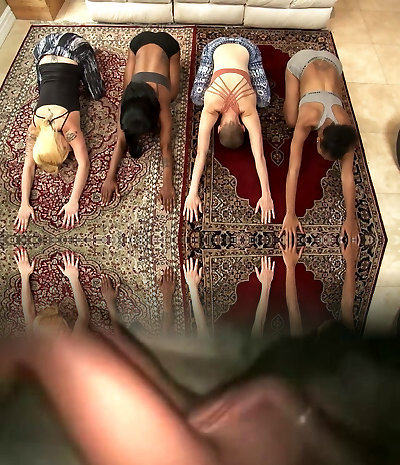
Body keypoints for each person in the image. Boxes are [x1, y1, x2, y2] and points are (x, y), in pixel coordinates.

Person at [14, 33, 104, 233]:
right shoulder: (35, 128)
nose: (69, 152)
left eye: (65, 151)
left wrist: (73, 200)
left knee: (97, 93)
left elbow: (84, 163)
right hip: (42, 47)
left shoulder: (69, 128)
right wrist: (24, 203)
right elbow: (29, 165)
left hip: (74, 46)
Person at [184, 37, 274, 224]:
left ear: (242, 127)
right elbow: (258, 156)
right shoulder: (211, 107)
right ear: (218, 129)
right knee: (198, 98)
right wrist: (191, 193)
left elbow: (202, 153)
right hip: (217, 47)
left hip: (243, 48)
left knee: (263, 100)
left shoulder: (249, 109)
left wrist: (267, 195)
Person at [281, 49, 359, 247]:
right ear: (318, 139)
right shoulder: (307, 118)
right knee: (290, 120)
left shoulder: (346, 128)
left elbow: (347, 176)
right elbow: (293, 169)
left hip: (333, 62)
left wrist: (351, 219)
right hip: (301, 63)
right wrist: (290, 213)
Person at [101, 31, 180, 213]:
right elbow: (120, 141)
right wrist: (109, 177)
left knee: (174, 93)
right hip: (138, 43)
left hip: (167, 45)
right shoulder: (126, 102)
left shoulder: (162, 97)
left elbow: (166, 146)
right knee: (126, 86)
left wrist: (167, 183)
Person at [13, 247, 90, 334]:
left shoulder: (34, 337)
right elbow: (84, 315)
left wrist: (24, 275)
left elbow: (28, 313)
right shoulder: (74, 339)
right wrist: (73, 278)